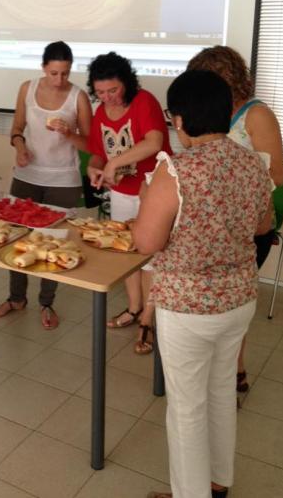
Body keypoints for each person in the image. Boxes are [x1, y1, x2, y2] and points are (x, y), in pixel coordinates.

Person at [136, 70, 272, 498]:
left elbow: (146, 242)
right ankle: (218, 483)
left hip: (187, 307)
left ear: (179, 120)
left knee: (187, 409)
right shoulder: (252, 163)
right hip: (238, 301)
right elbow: (263, 225)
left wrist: (145, 204)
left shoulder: (176, 170)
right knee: (219, 393)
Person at [187, 45, 283, 391]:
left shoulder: (255, 115)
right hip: (210, 225)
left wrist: (231, 186)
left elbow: (277, 173)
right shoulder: (209, 112)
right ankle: (212, 371)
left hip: (248, 226)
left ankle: (235, 371)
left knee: (233, 301)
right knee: (210, 302)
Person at [0, 41, 92, 329]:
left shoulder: (78, 97)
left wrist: (69, 133)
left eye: (65, 73)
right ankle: (16, 298)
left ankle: (47, 302)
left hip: (64, 179)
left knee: (54, 241)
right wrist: (20, 148)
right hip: (28, 174)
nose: (59, 80)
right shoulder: (27, 88)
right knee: (17, 236)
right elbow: (16, 129)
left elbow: (91, 144)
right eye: (54, 73)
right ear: (43, 68)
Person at [86, 52, 171, 353]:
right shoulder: (100, 111)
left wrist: (115, 162)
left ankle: (148, 319)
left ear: (127, 83)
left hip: (153, 190)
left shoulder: (144, 101)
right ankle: (134, 308)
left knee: (151, 255)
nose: (107, 97)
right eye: (100, 92)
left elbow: (154, 142)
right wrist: (94, 168)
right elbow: (98, 153)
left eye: (113, 90)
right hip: (121, 192)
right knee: (126, 252)